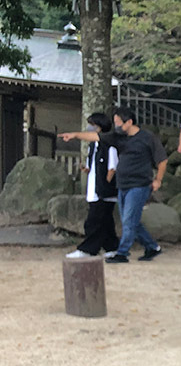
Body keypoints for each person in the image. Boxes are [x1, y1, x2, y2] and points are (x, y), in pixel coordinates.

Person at [59, 106, 168, 263]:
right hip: (122, 185)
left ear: (129, 122)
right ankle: (152, 247)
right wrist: (75, 135)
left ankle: (122, 253)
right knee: (131, 220)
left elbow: (162, 160)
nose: (116, 126)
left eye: (119, 123)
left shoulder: (147, 137)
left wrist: (158, 179)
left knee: (128, 220)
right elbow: (96, 136)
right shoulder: (118, 137)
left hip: (140, 185)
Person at [65, 112, 120, 259]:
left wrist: (106, 183)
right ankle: (112, 247)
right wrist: (85, 169)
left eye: (93, 125)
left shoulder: (109, 146)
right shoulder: (92, 146)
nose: (89, 127)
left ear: (100, 127)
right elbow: (92, 167)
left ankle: (88, 249)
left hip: (103, 191)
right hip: (94, 189)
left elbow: (112, 168)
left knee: (93, 222)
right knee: (106, 221)